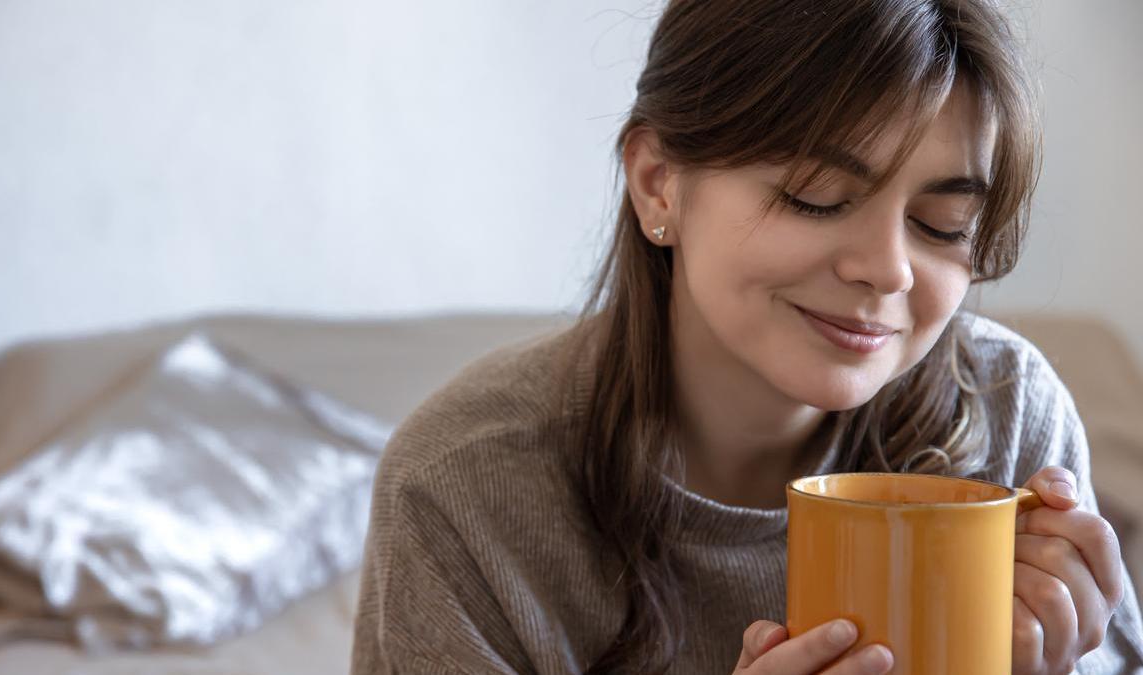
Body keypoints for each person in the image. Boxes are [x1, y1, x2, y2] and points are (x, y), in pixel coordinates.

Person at [351, 0, 1143, 673]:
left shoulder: (1008, 423)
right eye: (817, 196)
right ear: (659, 183)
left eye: (943, 225)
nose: (889, 270)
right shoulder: (461, 491)